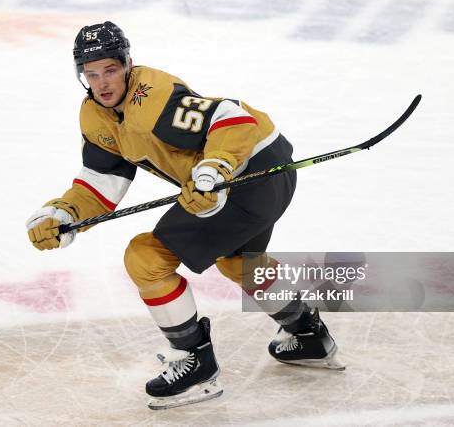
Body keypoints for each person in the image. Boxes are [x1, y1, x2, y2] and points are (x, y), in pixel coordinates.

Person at [26, 21, 342, 410]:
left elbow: (232, 117)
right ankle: (308, 335)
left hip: (250, 173)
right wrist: (66, 213)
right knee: (239, 263)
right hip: (265, 169)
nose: (102, 82)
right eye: (91, 74)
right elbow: (104, 178)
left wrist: (214, 168)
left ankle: (196, 365)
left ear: (127, 64)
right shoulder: (97, 115)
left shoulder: (151, 97)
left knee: (146, 258)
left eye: (109, 70)